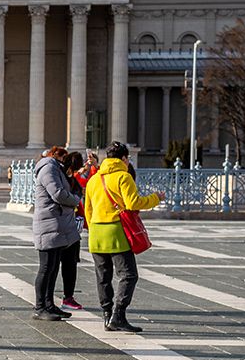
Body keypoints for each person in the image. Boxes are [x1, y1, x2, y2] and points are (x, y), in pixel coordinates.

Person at [85, 142, 164, 333]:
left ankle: (106, 315)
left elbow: (88, 209)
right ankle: (118, 315)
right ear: (123, 159)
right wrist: (155, 198)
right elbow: (133, 203)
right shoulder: (123, 177)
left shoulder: (94, 179)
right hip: (116, 232)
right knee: (128, 275)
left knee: (103, 277)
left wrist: (94, 227)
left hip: (96, 232)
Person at [31, 146, 82, 321]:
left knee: (53, 268)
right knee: (45, 268)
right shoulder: (48, 168)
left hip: (56, 224)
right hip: (48, 224)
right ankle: (40, 307)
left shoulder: (55, 169)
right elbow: (58, 194)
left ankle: (49, 304)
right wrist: (76, 200)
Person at [59, 152, 87, 311]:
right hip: (65, 224)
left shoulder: (70, 178)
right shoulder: (64, 178)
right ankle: (63, 297)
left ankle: (66, 297)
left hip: (71, 225)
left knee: (68, 263)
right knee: (63, 264)